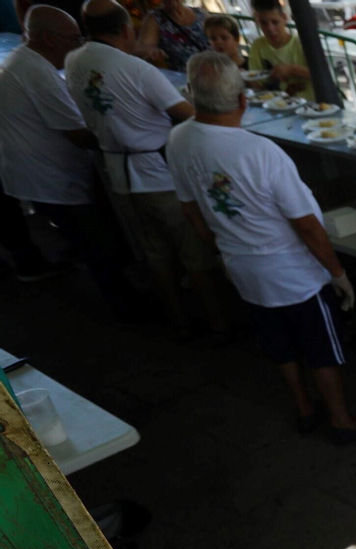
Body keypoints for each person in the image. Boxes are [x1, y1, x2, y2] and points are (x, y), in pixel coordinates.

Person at [168, 52, 356, 444]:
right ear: (242, 100)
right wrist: (338, 274)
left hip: (241, 268)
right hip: (293, 274)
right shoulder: (260, 152)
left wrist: (219, 246)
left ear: (191, 94)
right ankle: (340, 420)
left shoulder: (179, 139)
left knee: (278, 343)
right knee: (321, 347)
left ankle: (304, 408)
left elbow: (190, 209)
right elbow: (307, 225)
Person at [68, 0, 230, 339]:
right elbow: (189, 114)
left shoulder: (74, 60)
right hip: (157, 172)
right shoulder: (136, 69)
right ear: (127, 29)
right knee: (192, 252)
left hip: (117, 171)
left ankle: (177, 317)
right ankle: (218, 322)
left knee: (154, 252)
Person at [0, 5, 137, 311]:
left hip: (34, 171)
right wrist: (126, 139)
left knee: (88, 237)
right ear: (49, 39)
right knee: (96, 243)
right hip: (48, 176)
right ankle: (125, 305)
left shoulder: (26, 61)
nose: (78, 45)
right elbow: (78, 134)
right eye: (74, 38)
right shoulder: (36, 71)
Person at [247, 0, 313, 101]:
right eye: (264, 23)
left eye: (275, 22)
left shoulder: (301, 44)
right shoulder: (258, 46)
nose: (270, 28)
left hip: (308, 104)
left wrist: (291, 69)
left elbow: (322, 76)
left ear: (284, 18)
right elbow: (256, 82)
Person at [137, 0, 207, 70]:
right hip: (181, 74)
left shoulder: (200, 13)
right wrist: (153, 52)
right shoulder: (154, 18)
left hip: (211, 69)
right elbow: (144, 47)